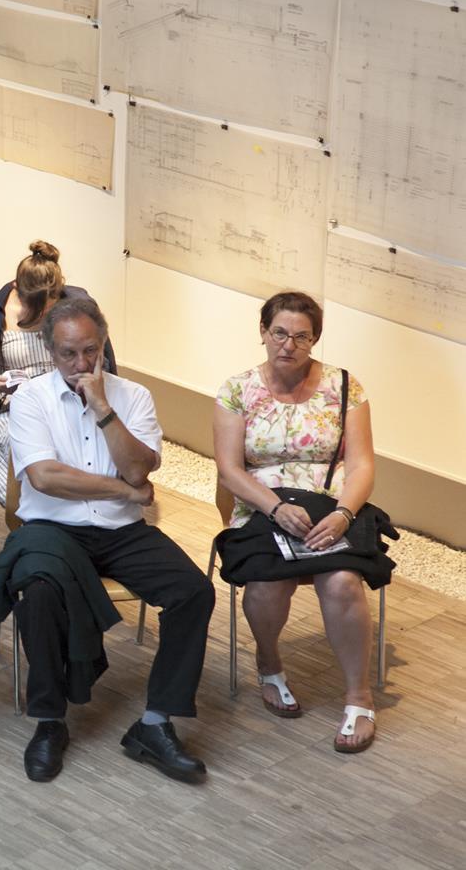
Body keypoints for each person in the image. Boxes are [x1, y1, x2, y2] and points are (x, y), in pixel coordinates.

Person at [0, 296, 214, 785]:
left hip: (121, 532)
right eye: (69, 353)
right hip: (51, 529)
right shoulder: (30, 399)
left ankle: (155, 724)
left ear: (103, 345)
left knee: (193, 592)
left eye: (90, 351)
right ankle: (49, 721)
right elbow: (45, 478)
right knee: (38, 591)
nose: (81, 363)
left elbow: (138, 468)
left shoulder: (133, 397)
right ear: (50, 352)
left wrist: (103, 408)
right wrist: (124, 491)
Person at [213, 291, 390, 754]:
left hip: (331, 508)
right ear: (263, 332)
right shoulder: (237, 390)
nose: (288, 345)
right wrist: (274, 507)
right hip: (262, 508)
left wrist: (343, 513)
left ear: (315, 339)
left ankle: (359, 697)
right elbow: (229, 469)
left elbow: (362, 465)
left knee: (342, 582)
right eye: (279, 333)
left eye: (301, 337)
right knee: (267, 583)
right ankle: (269, 662)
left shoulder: (344, 386)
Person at [0, 241, 116, 507]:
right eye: (36, 306)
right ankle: (37, 514)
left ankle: (86, 510)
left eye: (49, 306)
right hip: (15, 409)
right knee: (31, 450)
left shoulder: (77, 309)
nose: (43, 313)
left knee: (90, 442)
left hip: (71, 401)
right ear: (17, 288)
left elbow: (99, 366)